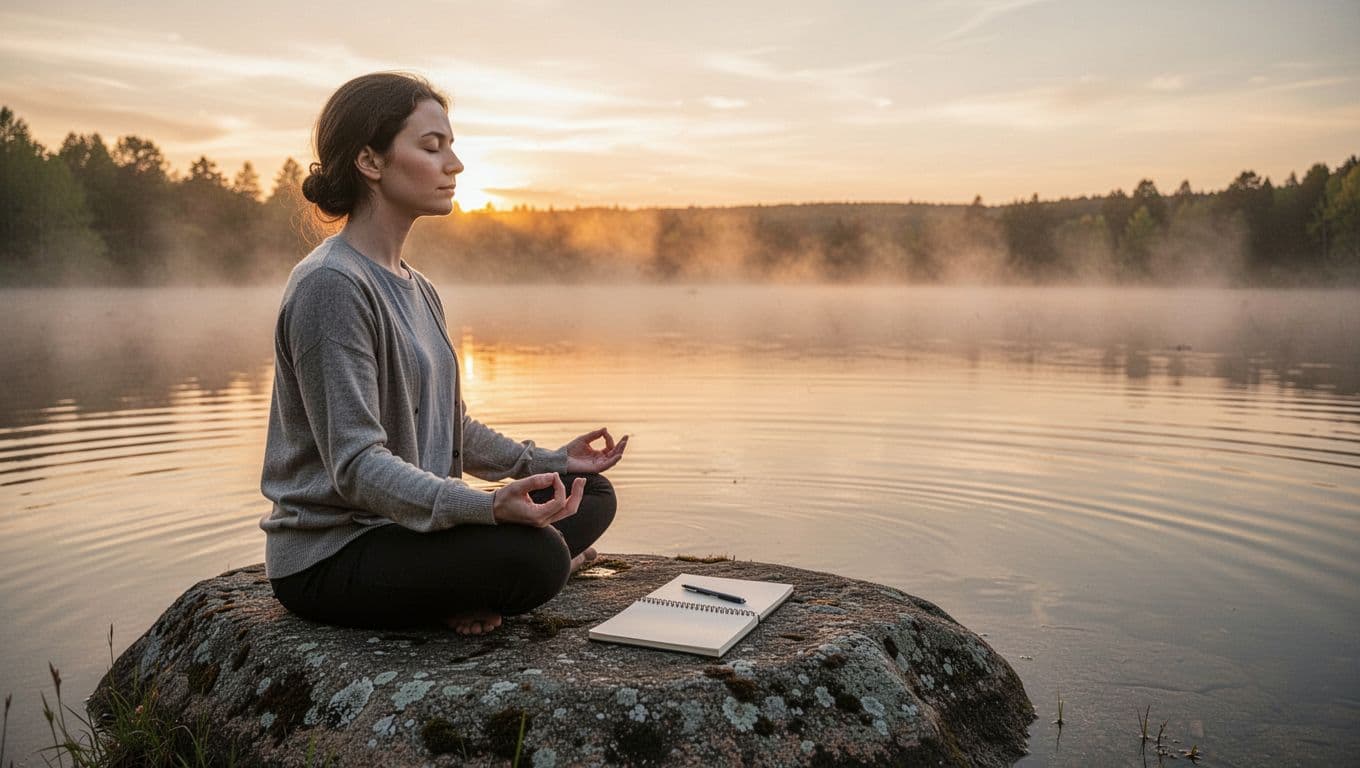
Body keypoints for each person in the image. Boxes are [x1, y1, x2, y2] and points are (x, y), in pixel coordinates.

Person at [260, 71, 626, 636]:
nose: (454, 164)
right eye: (433, 147)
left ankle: (469, 582)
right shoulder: (330, 286)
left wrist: (548, 461)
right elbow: (356, 468)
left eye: (451, 146)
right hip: (334, 554)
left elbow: (451, 427)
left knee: (587, 493)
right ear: (371, 162)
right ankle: (474, 584)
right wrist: (486, 509)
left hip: (410, 530)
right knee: (540, 559)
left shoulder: (417, 286)